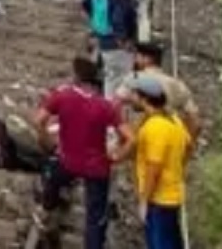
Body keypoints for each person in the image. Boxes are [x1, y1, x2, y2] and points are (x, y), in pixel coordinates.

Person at [34, 56, 132, 249]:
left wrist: (46, 140)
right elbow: (131, 138)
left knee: (51, 176)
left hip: (67, 160)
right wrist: (118, 156)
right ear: (96, 83)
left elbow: (38, 121)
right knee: (95, 218)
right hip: (97, 167)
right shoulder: (105, 107)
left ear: (77, 78)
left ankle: (46, 212)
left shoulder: (62, 96)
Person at [130, 76, 191, 249]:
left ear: (145, 98)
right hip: (173, 194)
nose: (131, 98)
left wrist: (144, 201)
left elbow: (153, 168)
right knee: (172, 241)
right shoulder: (175, 120)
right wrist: (176, 168)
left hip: (159, 199)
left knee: (159, 244)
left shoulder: (155, 127)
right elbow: (189, 145)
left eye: (134, 94)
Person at [83, 0, 138, 101]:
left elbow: (85, 2)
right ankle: (116, 111)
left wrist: (95, 21)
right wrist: (122, 39)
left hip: (103, 40)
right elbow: (118, 19)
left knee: (110, 76)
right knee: (124, 78)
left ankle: (107, 104)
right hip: (118, 46)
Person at [122, 43, 201, 140]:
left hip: (141, 141)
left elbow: (118, 109)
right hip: (169, 141)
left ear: (147, 59)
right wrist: (188, 146)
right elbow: (196, 122)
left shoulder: (133, 79)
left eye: (137, 57)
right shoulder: (177, 84)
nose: (134, 61)